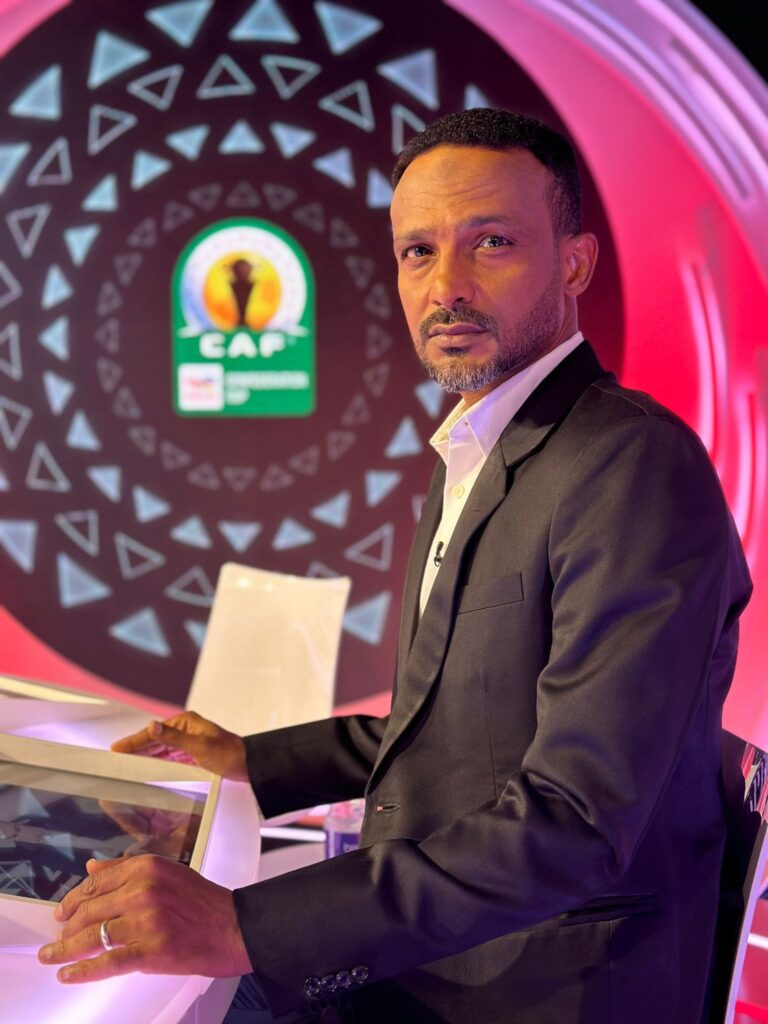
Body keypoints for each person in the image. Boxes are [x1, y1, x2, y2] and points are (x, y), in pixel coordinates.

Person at [38, 109, 752, 1024]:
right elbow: (463, 730)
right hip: (445, 947)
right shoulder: (479, 448)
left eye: (491, 242)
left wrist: (247, 927)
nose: (446, 286)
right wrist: (254, 760)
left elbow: (574, 823)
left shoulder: (632, 467)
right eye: (419, 252)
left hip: (537, 984)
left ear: (574, 264)